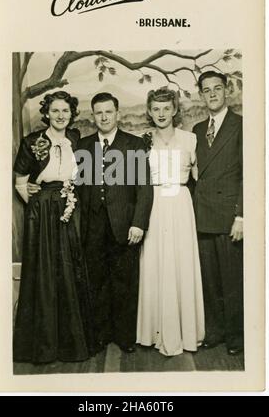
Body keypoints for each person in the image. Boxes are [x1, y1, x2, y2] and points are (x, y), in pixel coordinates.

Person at [13, 91, 95, 363]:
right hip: (44, 210)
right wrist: (38, 202)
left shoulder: (75, 138)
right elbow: (21, 181)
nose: (61, 116)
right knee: (45, 269)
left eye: (66, 111)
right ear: (47, 113)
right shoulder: (31, 142)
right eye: (56, 111)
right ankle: (45, 346)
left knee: (70, 269)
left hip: (71, 206)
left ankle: (71, 344)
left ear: (72, 114)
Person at [75, 92, 153, 354]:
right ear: (93, 115)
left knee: (124, 282)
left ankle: (125, 337)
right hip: (93, 226)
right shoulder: (84, 146)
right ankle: (100, 335)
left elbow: (144, 187)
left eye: (109, 111)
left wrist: (139, 223)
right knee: (96, 281)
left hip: (124, 224)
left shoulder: (134, 144)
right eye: (99, 112)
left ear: (117, 114)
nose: (104, 117)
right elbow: (75, 187)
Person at [136, 87, 205, 356]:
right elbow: (135, 181)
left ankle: (185, 334)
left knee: (181, 263)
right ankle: (155, 333)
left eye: (166, 108)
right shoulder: (142, 140)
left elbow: (201, 178)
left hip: (181, 204)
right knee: (156, 263)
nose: (161, 113)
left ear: (175, 110)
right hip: (154, 205)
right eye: (156, 109)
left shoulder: (190, 139)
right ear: (150, 112)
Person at [193, 71, 243, 355]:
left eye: (217, 88)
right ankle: (215, 331)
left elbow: (249, 175)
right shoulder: (198, 130)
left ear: (227, 91)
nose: (212, 94)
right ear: (201, 95)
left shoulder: (241, 125)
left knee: (232, 280)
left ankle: (236, 337)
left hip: (229, 217)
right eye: (206, 90)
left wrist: (241, 215)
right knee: (209, 280)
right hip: (203, 216)